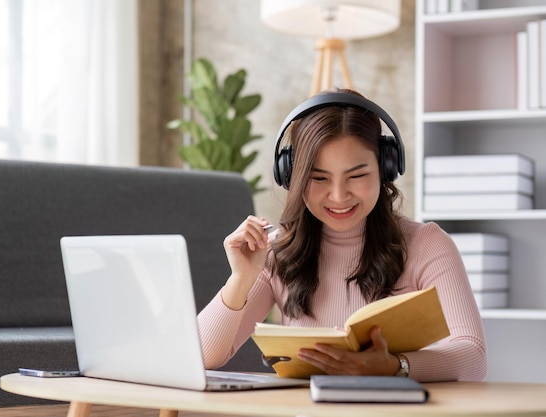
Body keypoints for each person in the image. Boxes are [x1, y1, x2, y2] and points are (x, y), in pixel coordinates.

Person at [197, 88, 487, 382]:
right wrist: (241, 279)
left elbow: (473, 356)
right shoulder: (278, 251)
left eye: (357, 176)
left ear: (386, 168)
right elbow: (202, 358)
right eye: (318, 178)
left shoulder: (426, 244)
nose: (338, 196)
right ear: (292, 177)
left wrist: (394, 366)